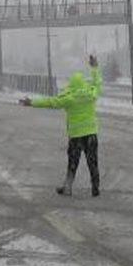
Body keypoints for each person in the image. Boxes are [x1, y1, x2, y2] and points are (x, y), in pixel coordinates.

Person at [19, 55, 102, 197]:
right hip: (91, 134)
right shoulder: (91, 94)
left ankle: (68, 187)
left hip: (76, 136)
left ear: (72, 85)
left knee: (73, 163)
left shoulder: (69, 98)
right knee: (93, 162)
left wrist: (31, 102)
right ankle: (95, 187)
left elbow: (51, 102)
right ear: (83, 83)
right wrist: (94, 68)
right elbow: (97, 84)